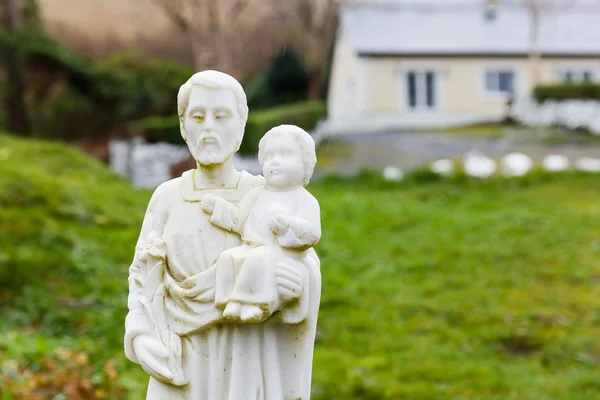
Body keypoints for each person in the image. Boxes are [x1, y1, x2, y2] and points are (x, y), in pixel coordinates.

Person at [124, 70, 321, 399]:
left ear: (241, 126)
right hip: (181, 357)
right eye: (198, 117)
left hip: (246, 357)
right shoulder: (167, 197)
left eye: (221, 116)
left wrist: (299, 286)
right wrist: (141, 335)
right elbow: (142, 275)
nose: (209, 128)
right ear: (184, 126)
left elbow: (303, 256)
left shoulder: (264, 194)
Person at [200, 125, 321, 323]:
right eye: (270, 156)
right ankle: (230, 301)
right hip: (250, 248)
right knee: (228, 258)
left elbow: (312, 233)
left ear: (306, 163)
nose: (276, 162)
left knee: (260, 259)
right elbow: (239, 220)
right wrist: (218, 208)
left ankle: (258, 304)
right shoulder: (257, 194)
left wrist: (287, 226)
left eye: (285, 155)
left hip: (279, 254)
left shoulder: (304, 200)